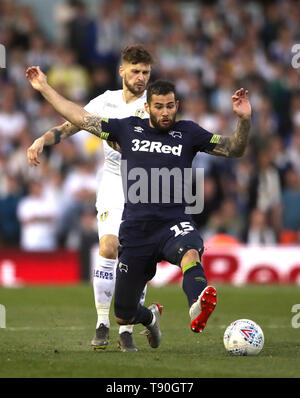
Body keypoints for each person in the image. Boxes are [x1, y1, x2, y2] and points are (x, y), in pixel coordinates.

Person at [26, 66, 251, 350]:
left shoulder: (188, 133)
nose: (166, 112)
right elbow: (79, 117)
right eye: (159, 107)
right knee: (123, 313)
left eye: (170, 106)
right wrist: (45, 88)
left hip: (173, 222)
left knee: (190, 252)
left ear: (177, 105)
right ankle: (150, 317)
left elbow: (234, 148)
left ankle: (197, 304)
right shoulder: (127, 129)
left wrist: (243, 121)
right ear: (147, 107)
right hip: (136, 231)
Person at [26, 45, 153, 352]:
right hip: (111, 181)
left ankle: (127, 326)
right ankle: (102, 323)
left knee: (135, 258)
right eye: (135, 71)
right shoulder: (105, 101)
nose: (141, 78)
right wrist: (43, 139)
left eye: (146, 72)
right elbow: (72, 124)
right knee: (108, 247)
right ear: (122, 71)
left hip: (145, 185)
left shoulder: (154, 105)